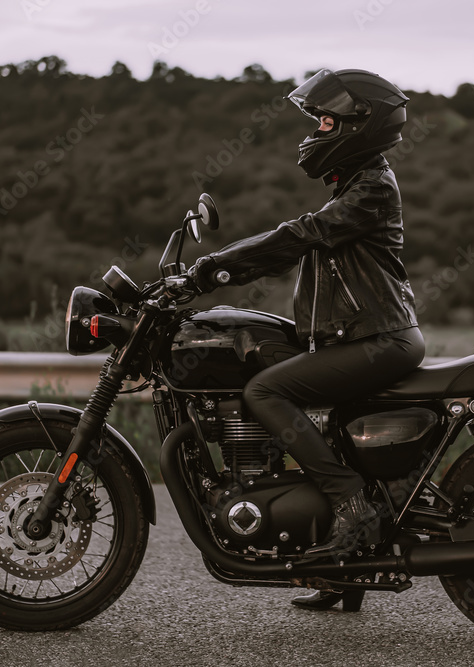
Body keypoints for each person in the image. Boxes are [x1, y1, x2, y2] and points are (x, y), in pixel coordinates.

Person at [190, 68, 424, 611]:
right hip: (359, 337)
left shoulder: (371, 185)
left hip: (380, 339)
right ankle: (343, 570)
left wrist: (214, 269)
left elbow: (301, 235)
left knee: (267, 393)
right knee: (266, 364)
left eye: (325, 121)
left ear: (358, 127)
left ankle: (353, 508)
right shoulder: (356, 182)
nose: (316, 131)